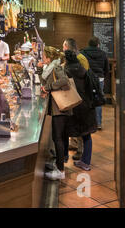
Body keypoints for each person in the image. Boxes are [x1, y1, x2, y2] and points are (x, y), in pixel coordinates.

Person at [40, 46, 71, 180]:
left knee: (58, 138)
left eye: (43, 55)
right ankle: (59, 165)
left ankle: (60, 171)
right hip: (56, 107)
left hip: (61, 108)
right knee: (56, 137)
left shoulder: (56, 67)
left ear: (49, 57)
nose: (42, 57)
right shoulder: (50, 68)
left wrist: (49, 87)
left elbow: (65, 81)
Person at [64, 50, 97, 171]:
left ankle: (63, 159)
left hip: (74, 106)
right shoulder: (83, 70)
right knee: (86, 135)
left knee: (64, 132)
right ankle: (85, 162)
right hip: (87, 106)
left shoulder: (66, 71)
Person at [62, 38, 90, 161]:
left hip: (79, 96)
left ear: (67, 47)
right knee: (73, 122)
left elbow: (83, 77)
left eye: (63, 45)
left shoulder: (80, 59)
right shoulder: (74, 58)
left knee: (79, 125)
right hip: (75, 95)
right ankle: (73, 143)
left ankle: (80, 150)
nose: (62, 47)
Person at [81, 36, 109, 130]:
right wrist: (102, 76)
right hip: (99, 80)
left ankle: (86, 122)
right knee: (98, 100)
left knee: (86, 99)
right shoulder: (103, 54)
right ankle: (98, 123)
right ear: (98, 45)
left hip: (87, 79)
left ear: (89, 44)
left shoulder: (83, 53)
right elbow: (106, 69)